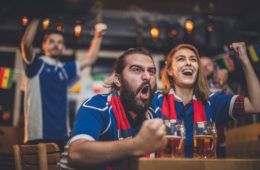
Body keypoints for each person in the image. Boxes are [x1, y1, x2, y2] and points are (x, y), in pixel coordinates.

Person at [152, 42, 260, 158]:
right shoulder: (155, 100)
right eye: (181, 59)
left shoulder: (212, 102)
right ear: (169, 71)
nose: (188, 63)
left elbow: (256, 104)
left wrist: (244, 61)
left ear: (198, 70)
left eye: (193, 60)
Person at [66, 47, 166, 169]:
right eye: (136, 70)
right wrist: (137, 144)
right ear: (118, 80)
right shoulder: (98, 106)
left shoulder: (152, 112)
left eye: (151, 71)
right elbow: (76, 154)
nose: (147, 76)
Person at [21, 18, 107, 150]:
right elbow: (26, 44)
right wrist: (36, 16)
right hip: (38, 136)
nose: (56, 45)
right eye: (52, 41)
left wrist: (98, 35)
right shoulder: (36, 64)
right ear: (44, 45)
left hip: (62, 137)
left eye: (60, 42)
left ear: (64, 47)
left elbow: (90, 58)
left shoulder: (65, 69)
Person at [200, 56, 232, 158]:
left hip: (220, 137)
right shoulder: (192, 85)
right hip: (200, 136)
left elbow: (231, 101)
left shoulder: (220, 84)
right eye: (202, 65)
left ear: (214, 67)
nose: (205, 67)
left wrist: (224, 84)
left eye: (208, 64)